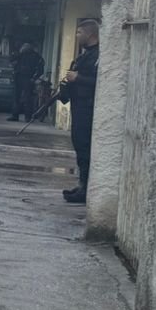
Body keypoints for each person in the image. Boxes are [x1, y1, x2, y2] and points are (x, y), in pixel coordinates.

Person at [58, 19, 99, 203]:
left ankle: (86, 189)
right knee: (79, 147)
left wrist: (78, 77)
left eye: (79, 32)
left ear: (90, 34)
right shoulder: (83, 56)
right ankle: (82, 185)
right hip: (78, 107)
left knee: (85, 148)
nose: (77, 36)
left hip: (88, 109)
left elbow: (98, 82)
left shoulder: (97, 56)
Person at [8, 41, 45, 121]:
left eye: (27, 46)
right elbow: (11, 60)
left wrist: (34, 78)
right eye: (24, 46)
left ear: (30, 47)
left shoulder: (36, 56)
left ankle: (28, 116)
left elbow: (40, 68)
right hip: (18, 77)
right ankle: (15, 115)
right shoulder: (20, 55)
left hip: (28, 78)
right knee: (16, 97)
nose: (25, 47)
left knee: (28, 98)